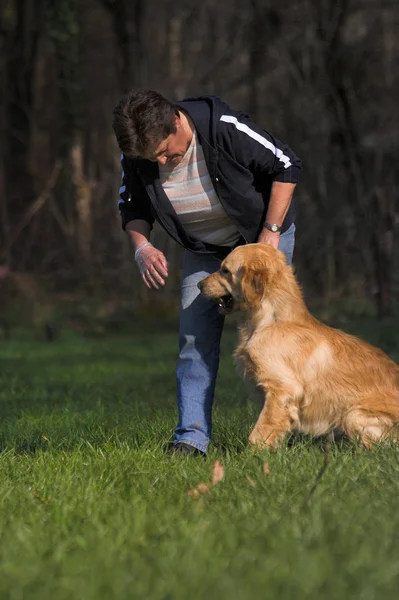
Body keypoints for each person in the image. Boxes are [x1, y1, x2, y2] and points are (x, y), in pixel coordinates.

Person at [112, 89, 301, 457]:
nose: (163, 161)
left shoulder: (222, 127)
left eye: (166, 151)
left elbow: (286, 163)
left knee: (277, 342)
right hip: (204, 250)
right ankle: (191, 439)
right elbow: (131, 204)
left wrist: (271, 233)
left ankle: (287, 429)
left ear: (178, 122)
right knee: (194, 341)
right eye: (154, 158)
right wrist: (142, 247)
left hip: (260, 241)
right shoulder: (139, 154)